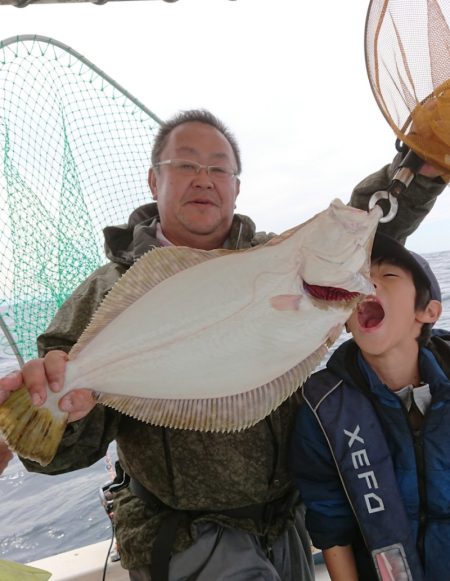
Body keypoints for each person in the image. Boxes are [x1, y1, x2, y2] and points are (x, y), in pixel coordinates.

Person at [0, 109, 446, 581]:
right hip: (186, 540)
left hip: (287, 523)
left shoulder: (271, 255)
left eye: (219, 168)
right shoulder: (108, 291)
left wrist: (417, 172)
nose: (204, 179)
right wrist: (65, 411)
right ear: (154, 180)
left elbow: (368, 227)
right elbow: (54, 448)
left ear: (236, 187)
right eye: (186, 164)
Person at [290, 232, 450, 580]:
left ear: (428, 311)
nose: (368, 285)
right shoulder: (322, 409)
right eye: (358, 281)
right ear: (346, 318)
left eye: (387, 276)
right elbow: (331, 528)